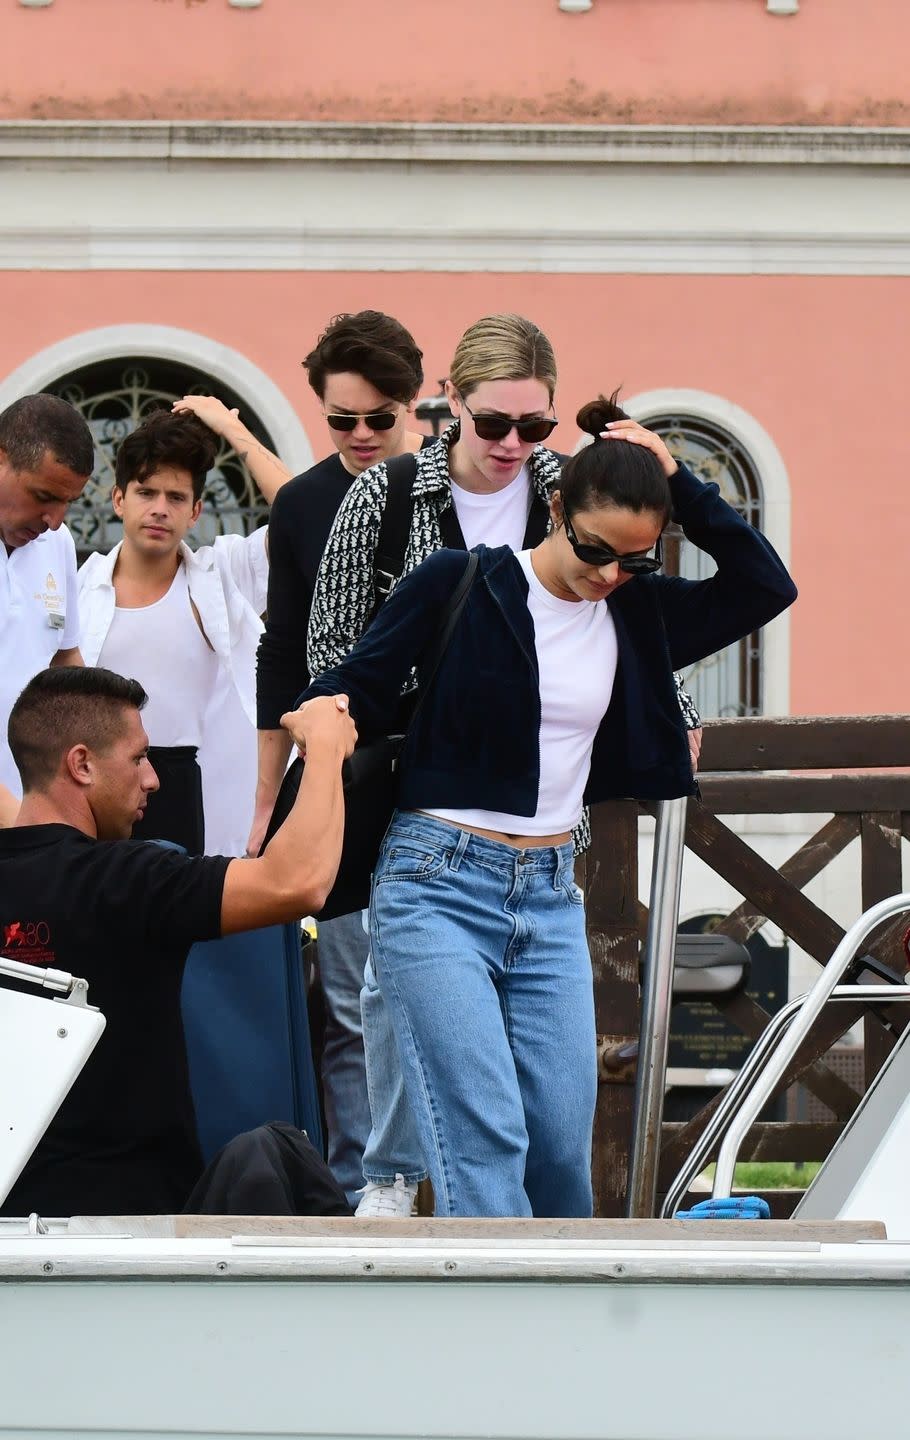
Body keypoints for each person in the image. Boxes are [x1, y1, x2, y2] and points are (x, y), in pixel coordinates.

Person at [289, 392, 797, 1217]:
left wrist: (680, 480)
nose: (606, 576)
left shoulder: (633, 614)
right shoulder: (463, 581)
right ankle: (498, 1333)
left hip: (552, 893)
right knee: (484, 1135)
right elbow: (350, 683)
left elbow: (764, 586)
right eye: (596, 549)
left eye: (634, 561)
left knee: (560, 1148)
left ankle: (553, 1332)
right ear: (556, 508)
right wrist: (323, 715)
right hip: (435, 882)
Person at [0, 665, 355, 1217]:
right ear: (81, 764)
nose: (153, 780)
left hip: (16, 1237)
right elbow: (299, 881)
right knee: (282, 1153)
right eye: (139, 757)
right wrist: (326, 748)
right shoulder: (127, 878)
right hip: (141, 1240)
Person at [253, 310, 430, 1207]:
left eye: (379, 419)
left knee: (444, 993)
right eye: (340, 421)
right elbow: (281, 656)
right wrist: (265, 803)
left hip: (447, 774)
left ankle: (454, 1181)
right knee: (358, 993)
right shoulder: (304, 503)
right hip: (343, 772)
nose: (361, 436)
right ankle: (370, 1183)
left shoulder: (453, 486)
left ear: (416, 405)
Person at [78, 403, 289, 857]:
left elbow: (304, 518)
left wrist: (231, 427)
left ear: (195, 511)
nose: (159, 509)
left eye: (175, 498)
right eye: (146, 493)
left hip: (189, 789)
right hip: (95, 790)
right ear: (118, 499)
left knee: (183, 924)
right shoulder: (79, 589)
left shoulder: (221, 575)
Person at [0, 393, 95, 825]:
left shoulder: (57, 545)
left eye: (67, 503)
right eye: (43, 496)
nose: (54, 520)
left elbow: (64, 661)